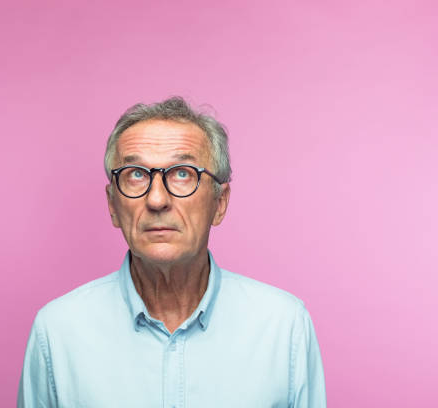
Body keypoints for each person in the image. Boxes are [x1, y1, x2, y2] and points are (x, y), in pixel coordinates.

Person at [17, 97, 326, 407]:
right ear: (112, 205)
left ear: (219, 203)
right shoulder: (58, 332)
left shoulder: (284, 326)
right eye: (136, 174)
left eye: (182, 173)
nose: (156, 200)